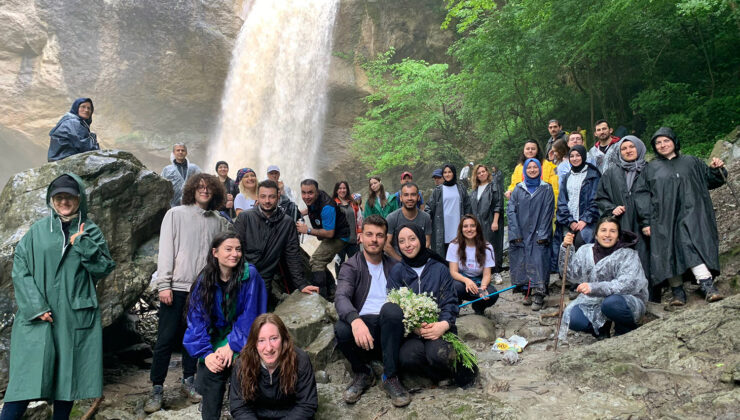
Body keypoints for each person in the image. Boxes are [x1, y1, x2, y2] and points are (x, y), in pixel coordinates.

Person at [1, 174, 115, 420]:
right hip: (38, 318)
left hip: (74, 316)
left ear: (79, 199)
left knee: (67, 381)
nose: (64, 201)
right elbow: (20, 268)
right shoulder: (38, 231)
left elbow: (104, 268)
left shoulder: (91, 231)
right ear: (51, 199)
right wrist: (35, 306)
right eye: (59, 197)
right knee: (23, 383)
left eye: (70, 197)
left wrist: (82, 243)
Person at [145, 174, 230, 414]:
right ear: (192, 190)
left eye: (208, 188)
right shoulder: (176, 214)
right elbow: (166, 250)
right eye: (200, 187)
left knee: (195, 336)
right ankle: (157, 387)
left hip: (203, 289)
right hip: (177, 287)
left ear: (215, 192)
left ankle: (189, 381)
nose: (204, 191)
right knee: (165, 338)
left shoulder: (217, 220)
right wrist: (164, 284)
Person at [634, 127, 726, 305]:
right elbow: (642, 195)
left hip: (692, 215)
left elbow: (712, 180)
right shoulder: (650, 168)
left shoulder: (692, 162)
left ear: (674, 142)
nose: (662, 145)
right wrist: (646, 221)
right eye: (658, 142)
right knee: (666, 251)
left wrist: (717, 169)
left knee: (690, 245)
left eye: (666, 140)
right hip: (662, 219)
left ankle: (707, 285)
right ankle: (677, 292)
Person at [183, 232, 268, 419]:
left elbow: (251, 315)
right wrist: (207, 354)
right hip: (216, 338)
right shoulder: (205, 279)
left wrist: (232, 345)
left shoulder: (249, 275)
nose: (234, 254)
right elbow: (196, 321)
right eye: (228, 249)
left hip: (246, 336)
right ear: (215, 253)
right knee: (214, 369)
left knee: (242, 367)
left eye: (238, 249)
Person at [333, 215, 410, 407]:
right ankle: (363, 373)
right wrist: (355, 321)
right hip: (363, 329)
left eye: (379, 235)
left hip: (390, 327)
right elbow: (341, 297)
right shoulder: (350, 266)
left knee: (391, 310)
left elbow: (409, 297)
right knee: (341, 328)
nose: (374, 239)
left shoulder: (395, 266)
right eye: (369, 234)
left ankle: (390, 377)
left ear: (385, 239)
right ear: (360, 237)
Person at [388, 224, 475, 386]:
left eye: (412, 239)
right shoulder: (397, 271)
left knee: (439, 354)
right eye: (402, 241)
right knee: (408, 358)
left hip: (440, 328)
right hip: (412, 333)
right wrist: (413, 327)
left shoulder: (439, 269)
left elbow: (450, 301)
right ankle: (434, 376)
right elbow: (393, 304)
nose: (407, 245)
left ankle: (445, 372)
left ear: (421, 239)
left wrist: (443, 324)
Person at [558, 217, 648, 341]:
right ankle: (601, 329)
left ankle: (624, 329)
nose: (607, 235)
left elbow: (627, 284)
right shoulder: (585, 251)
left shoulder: (627, 254)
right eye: (603, 230)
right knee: (573, 317)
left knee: (611, 304)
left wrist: (594, 287)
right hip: (594, 301)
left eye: (612, 231)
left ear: (618, 235)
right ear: (596, 235)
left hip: (625, 301)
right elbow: (570, 275)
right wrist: (565, 248)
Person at [234, 180, 317, 309]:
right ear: (257, 197)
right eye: (263, 196)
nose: (267, 201)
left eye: (271, 196)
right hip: (241, 276)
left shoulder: (287, 223)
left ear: (278, 196)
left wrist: (301, 284)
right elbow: (234, 248)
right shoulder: (245, 218)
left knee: (260, 315)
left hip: (265, 279)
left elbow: (293, 255)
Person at [595, 135, 653, 300]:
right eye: (623, 148)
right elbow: (600, 197)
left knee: (645, 257)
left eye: (631, 147)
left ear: (639, 148)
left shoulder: (650, 170)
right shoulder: (611, 172)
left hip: (645, 224)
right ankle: (622, 296)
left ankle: (648, 296)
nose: (628, 151)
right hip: (621, 224)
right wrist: (612, 208)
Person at [229, 314, 318, 419]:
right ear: (254, 343)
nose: (269, 348)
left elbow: (306, 404)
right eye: (261, 340)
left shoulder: (300, 360)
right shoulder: (242, 364)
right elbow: (239, 407)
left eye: (274, 338)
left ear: (283, 339)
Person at [507, 159, 555, 311]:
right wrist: (515, 232)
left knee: (539, 259)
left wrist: (543, 233)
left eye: (535, 167)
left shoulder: (546, 189)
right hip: (521, 231)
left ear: (539, 169)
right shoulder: (518, 189)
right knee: (522, 259)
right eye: (530, 167)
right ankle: (526, 290)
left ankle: (539, 292)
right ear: (525, 170)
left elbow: (548, 212)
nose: (532, 170)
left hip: (539, 231)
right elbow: (511, 211)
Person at [296, 179, 351, 300]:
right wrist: (299, 213)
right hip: (332, 233)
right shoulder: (314, 199)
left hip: (339, 236)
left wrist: (308, 230)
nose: (306, 196)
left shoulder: (327, 206)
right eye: (303, 193)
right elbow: (312, 209)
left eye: (310, 193)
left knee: (317, 262)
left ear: (317, 191)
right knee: (316, 261)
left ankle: (322, 297)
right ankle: (331, 288)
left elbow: (330, 233)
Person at [446, 215, 499, 315]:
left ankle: (478, 306)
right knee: (454, 287)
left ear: (477, 228)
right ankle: (455, 306)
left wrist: (482, 288)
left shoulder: (487, 247)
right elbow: (453, 272)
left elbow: (487, 274)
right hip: (461, 281)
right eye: (465, 226)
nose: (469, 229)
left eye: (472, 226)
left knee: (493, 294)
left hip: (479, 281)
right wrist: (467, 281)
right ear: (461, 229)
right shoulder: (454, 245)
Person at [556, 145, 602, 247]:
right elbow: (562, 201)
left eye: (578, 155)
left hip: (587, 222)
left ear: (583, 156)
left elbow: (596, 199)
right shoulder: (567, 176)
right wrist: (570, 221)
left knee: (581, 245)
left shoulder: (593, 175)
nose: (575, 159)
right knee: (566, 249)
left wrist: (585, 220)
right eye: (572, 156)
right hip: (569, 223)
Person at [425, 164, 472, 257]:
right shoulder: (438, 190)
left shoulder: (461, 188)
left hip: (458, 224)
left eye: (449, 172)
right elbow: (429, 207)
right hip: (442, 226)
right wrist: (426, 219)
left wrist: (468, 221)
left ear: (454, 173)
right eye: (445, 172)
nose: (447, 174)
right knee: (443, 254)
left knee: (459, 252)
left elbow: (467, 206)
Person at [469, 164, 504, 285]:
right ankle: (483, 273)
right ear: (476, 176)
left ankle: (496, 272)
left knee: (493, 246)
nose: (482, 174)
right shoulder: (474, 191)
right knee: (479, 247)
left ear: (487, 173)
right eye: (479, 173)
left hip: (490, 220)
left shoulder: (493, 186)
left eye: (483, 171)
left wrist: (495, 221)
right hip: (477, 223)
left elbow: (498, 204)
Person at [385, 182, 432, 261]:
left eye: (413, 195)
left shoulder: (425, 217)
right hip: (397, 261)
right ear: (401, 198)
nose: (409, 198)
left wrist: (418, 259)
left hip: (418, 259)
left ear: (418, 197)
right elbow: (386, 244)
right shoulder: (392, 218)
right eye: (406, 195)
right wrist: (401, 261)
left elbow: (427, 242)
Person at [504, 140, 559, 205]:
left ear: (537, 151)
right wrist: (510, 191)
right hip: (523, 205)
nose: (530, 151)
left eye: (533, 149)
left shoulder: (547, 166)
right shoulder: (519, 168)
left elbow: (554, 188)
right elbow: (514, 185)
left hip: (543, 204)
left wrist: (553, 207)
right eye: (527, 149)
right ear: (524, 151)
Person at [47, 98, 100, 162]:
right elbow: (85, 147)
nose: (86, 110)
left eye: (89, 108)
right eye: (83, 107)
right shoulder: (74, 122)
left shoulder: (70, 120)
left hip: (59, 158)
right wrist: (93, 137)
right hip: (64, 158)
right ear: (76, 107)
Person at [161, 143, 202, 208]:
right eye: (178, 150)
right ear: (174, 153)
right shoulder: (167, 169)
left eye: (183, 150)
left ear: (186, 153)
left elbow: (202, 182)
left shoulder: (194, 168)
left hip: (191, 203)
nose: (180, 152)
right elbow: (162, 187)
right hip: (172, 205)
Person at [333, 181, 362, 265]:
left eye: (344, 188)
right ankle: (339, 278)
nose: (342, 190)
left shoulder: (353, 202)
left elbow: (359, 218)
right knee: (339, 265)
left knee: (356, 264)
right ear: (336, 190)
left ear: (347, 189)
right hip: (339, 241)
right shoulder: (333, 204)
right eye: (340, 188)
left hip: (353, 239)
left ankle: (357, 278)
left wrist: (360, 232)